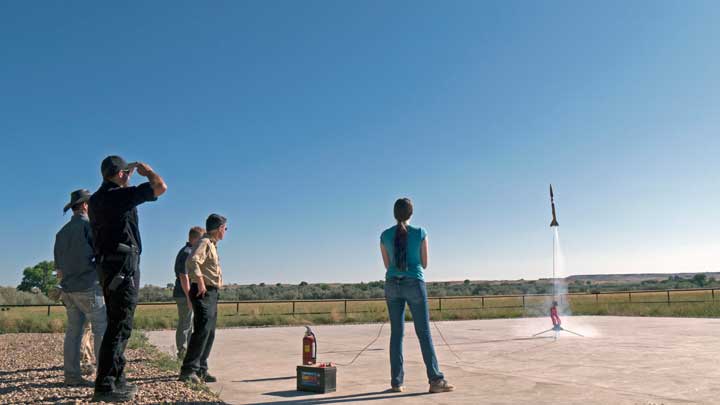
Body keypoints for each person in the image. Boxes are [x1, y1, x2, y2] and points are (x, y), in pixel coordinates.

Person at [89, 156, 167, 402]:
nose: (130, 176)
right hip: (123, 267)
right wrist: (149, 171)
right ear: (121, 173)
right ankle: (106, 386)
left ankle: (116, 379)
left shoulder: (96, 199)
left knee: (117, 324)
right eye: (127, 172)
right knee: (119, 326)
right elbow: (160, 187)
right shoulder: (116, 196)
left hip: (111, 267)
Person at [380, 198, 454, 394]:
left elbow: (388, 265)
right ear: (411, 214)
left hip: (392, 285)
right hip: (414, 283)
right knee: (424, 333)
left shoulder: (384, 235)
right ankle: (435, 380)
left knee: (397, 334)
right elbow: (425, 262)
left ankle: (396, 383)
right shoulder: (420, 233)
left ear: (395, 214)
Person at [54, 189, 107, 387]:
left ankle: (71, 376)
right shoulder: (89, 225)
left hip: (68, 289)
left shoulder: (61, 233)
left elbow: (58, 268)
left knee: (73, 332)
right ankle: (104, 377)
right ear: (85, 205)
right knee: (101, 329)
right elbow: (100, 254)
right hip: (89, 286)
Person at [179, 214, 227, 384]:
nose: (225, 232)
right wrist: (200, 282)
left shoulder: (212, 245)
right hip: (203, 291)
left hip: (212, 292)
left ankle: (201, 369)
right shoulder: (204, 242)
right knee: (201, 331)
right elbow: (192, 261)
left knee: (209, 332)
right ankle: (188, 370)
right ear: (219, 228)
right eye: (225, 228)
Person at [174, 226, 205, 359]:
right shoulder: (187, 253)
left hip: (187, 293)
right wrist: (188, 297)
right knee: (185, 323)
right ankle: (182, 351)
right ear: (195, 239)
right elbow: (183, 276)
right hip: (183, 293)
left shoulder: (190, 251)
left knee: (189, 322)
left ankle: (187, 351)